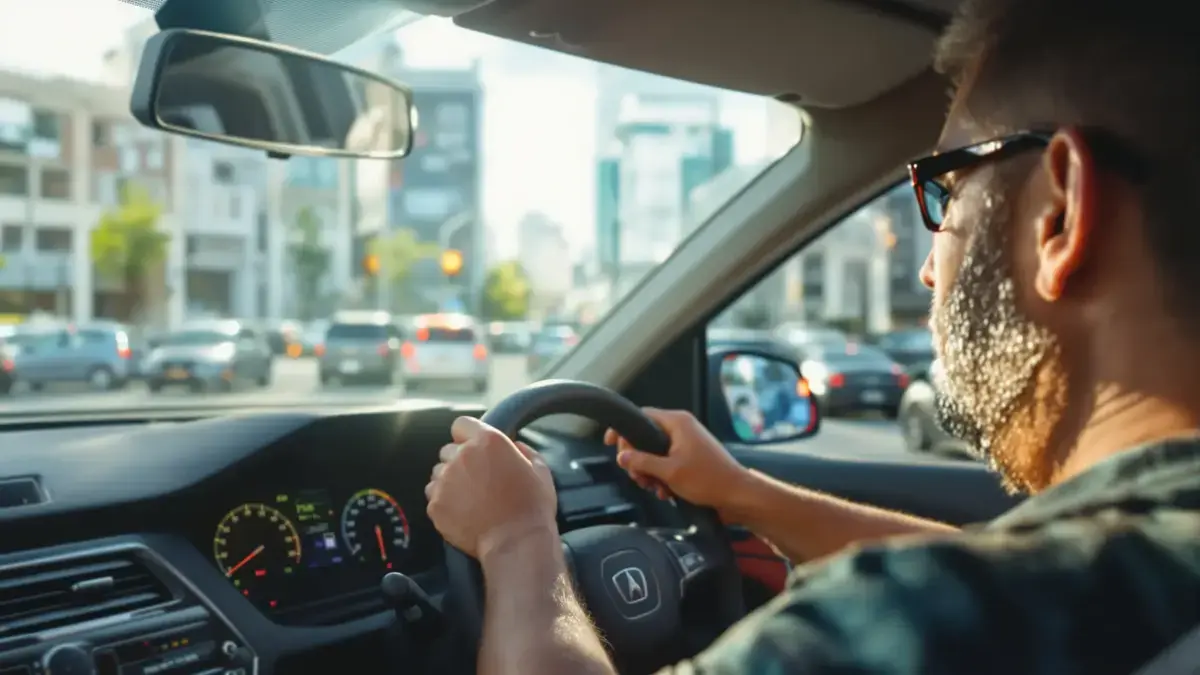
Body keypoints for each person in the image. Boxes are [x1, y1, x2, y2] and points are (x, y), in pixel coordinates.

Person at [423, 0, 1200, 672]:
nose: (932, 268)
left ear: (1058, 214)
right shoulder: (1129, 572)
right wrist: (741, 493)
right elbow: (1026, 568)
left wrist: (518, 541)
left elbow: (998, 587)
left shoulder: (928, 620)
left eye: (950, 189)